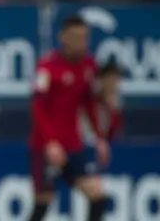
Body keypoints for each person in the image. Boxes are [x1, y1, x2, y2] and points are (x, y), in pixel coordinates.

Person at [28, 15, 109, 221]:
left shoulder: (89, 66)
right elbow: (38, 107)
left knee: (97, 194)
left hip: (73, 144)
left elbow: (89, 104)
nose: (80, 43)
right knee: (43, 200)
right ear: (62, 37)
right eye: (75, 37)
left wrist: (99, 138)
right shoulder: (47, 67)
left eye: (84, 38)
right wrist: (50, 143)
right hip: (46, 145)